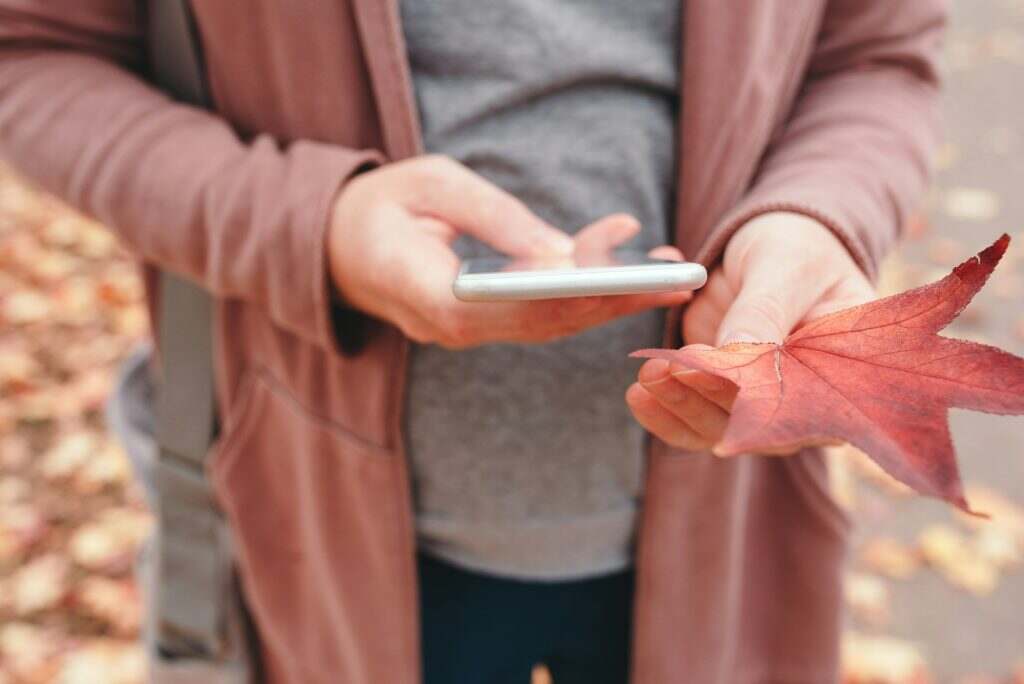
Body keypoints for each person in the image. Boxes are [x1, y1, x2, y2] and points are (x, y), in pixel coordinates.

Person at [0, 1, 945, 683]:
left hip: (729, 552)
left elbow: (876, 52)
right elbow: (33, 53)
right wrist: (311, 225)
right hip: (324, 552)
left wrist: (818, 218)